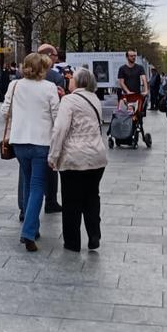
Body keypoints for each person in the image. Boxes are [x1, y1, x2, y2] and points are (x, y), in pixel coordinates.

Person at [2, 52, 60, 252]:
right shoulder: (49, 87)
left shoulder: (15, 85)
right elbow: (56, 114)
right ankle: (28, 232)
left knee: (28, 183)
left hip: (19, 142)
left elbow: (5, 112)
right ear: (41, 68)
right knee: (37, 187)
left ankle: (32, 228)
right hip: (41, 142)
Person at [49, 67, 108, 252]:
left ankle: (73, 242)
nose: (69, 79)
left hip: (74, 157)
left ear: (79, 81)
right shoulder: (95, 98)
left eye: (72, 78)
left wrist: (53, 155)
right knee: (92, 196)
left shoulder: (69, 100)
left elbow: (60, 129)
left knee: (71, 201)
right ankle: (94, 234)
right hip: (97, 156)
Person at [36, 44, 66, 213]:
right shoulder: (55, 77)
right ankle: (51, 201)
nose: (57, 58)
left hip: (27, 133)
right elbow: (59, 106)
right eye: (55, 55)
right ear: (48, 56)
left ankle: (24, 208)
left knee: (27, 174)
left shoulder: (22, 76)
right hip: (48, 130)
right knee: (51, 167)